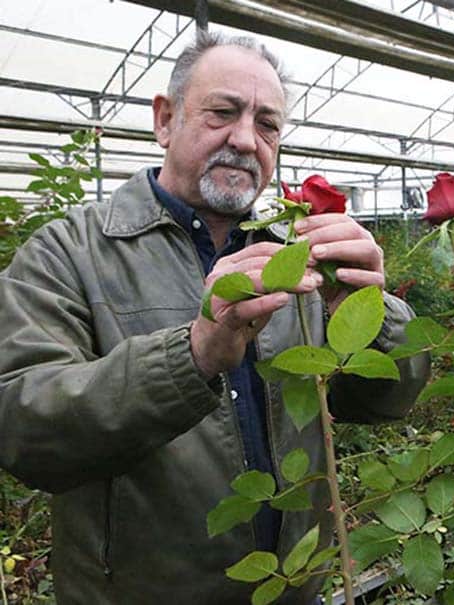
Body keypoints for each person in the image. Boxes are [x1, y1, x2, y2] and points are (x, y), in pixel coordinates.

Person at [0, 30, 429, 604]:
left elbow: (384, 404)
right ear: (165, 119)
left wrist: (370, 314)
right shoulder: (70, 252)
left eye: (268, 124)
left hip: (294, 590)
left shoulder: (299, 258)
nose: (246, 139)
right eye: (223, 112)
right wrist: (194, 354)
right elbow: (24, 429)